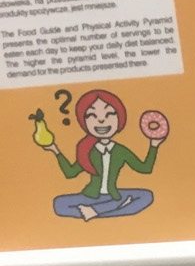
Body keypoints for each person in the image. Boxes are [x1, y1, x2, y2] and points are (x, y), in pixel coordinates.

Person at [40, 89, 165, 221]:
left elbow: (145, 168)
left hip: (114, 195)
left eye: (109, 114)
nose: (101, 120)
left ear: (119, 119)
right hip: (90, 197)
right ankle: (115, 207)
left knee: (146, 196)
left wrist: (154, 145)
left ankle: (95, 210)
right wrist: (55, 150)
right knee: (59, 204)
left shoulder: (120, 151)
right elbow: (70, 173)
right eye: (92, 116)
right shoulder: (88, 151)